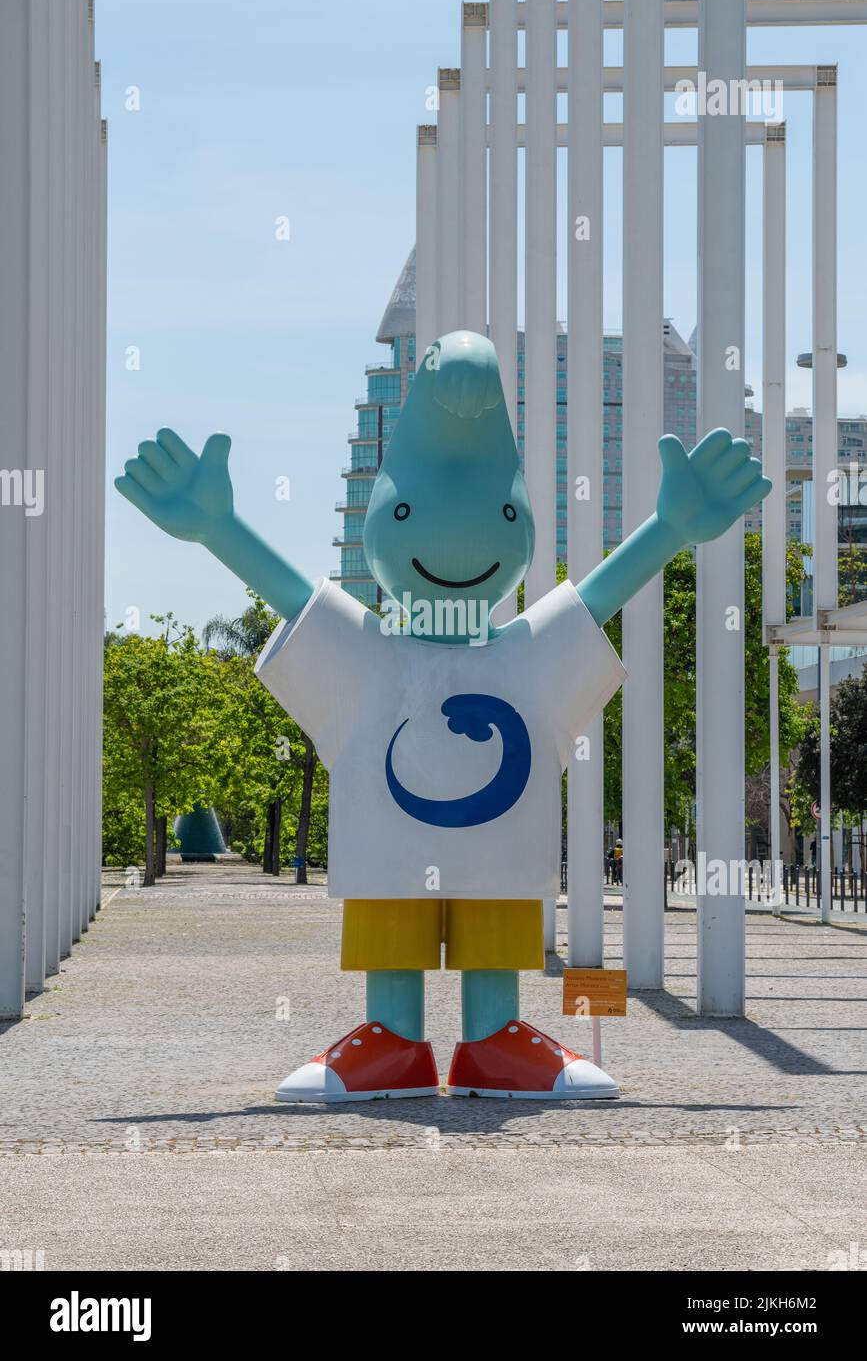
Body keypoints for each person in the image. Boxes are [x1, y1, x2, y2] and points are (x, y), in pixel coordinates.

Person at [116, 330, 770, 1101]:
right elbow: (299, 604)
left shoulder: (519, 650)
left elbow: (591, 603)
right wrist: (218, 529)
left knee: (494, 900)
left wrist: (670, 530)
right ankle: (389, 1040)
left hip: (498, 849)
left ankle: (495, 1039)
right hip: (390, 847)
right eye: (410, 511)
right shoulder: (373, 652)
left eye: (499, 511)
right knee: (391, 898)